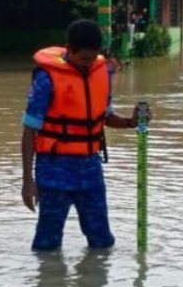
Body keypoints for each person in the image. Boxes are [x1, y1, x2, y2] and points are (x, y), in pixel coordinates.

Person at [21, 20, 147, 251]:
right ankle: (48, 284)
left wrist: (130, 122)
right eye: (84, 59)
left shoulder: (103, 72)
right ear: (69, 49)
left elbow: (104, 116)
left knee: (102, 240)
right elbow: (30, 131)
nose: (89, 65)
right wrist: (28, 181)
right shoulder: (46, 78)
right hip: (53, 167)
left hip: (90, 166)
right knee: (47, 243)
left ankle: (95, 283)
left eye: (93, 58)